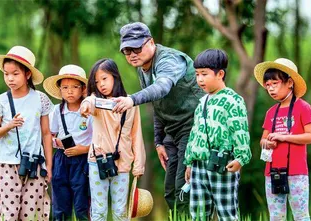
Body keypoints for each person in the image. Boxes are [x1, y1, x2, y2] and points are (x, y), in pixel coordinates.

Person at [113, 21, 205, 213]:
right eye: (127, 51)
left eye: (136, 48)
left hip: (194, 126)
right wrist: (158, 141)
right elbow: (159, 104)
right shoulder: (142, 67)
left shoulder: (169, 60)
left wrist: (132, 99)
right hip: (172, 131)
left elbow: (162, 87)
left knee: (184, 189)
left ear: (151, 42)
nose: (132, 55)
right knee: (170, 192)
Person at [184, 49, 252, 220]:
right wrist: (189, 161)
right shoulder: (202, 102)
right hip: (199, 165)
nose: (199, 79)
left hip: (222, 161)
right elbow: (195, 132)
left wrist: (241, 158)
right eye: (197, 74)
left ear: (220, 73)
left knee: (226, 211)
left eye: (204, 74)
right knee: (198, 212)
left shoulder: (232, 100)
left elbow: (240, 131)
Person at [0, 46, 53, 221]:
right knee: (8, 214)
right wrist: (9, 126)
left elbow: (46, 134)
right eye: (6, 73)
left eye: (15, 74)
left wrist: (49, 166)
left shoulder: (41, 99)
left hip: (36, 164)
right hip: (8, 164)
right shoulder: (0, 101)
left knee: (32, 214)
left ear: (27, 74)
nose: (10, 78)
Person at [80, 58, 146, 221]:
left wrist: (139, 164)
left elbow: (136, 134)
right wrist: (85, 106)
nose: (101, 84)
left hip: (122, 163)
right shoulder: (97, 101)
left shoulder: (130, 103)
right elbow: (89, 101)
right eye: (97, 81)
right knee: (99, 210)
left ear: (115, 77)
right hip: (97, 162)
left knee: (120, 212)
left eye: (104, 78)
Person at [254, 58, 311, 221]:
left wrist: (284, 137)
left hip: (297, 173)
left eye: (275, 83)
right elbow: (263, 139)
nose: (270, 88)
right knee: (276, 217)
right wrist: (267, 142)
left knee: (301, 216)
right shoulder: (270, 112)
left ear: (289, 83)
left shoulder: (303, 107)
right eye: (267, 85)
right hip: (272, 173)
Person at [43, 65, 93, 220]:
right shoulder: (57, 111)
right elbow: (48, 136)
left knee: (81, 204)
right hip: (61, 159)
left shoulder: (90, 111)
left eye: (74, 87)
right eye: (65, 87)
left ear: (83, 89)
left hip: (83, 160)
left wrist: (83, 149)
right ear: (60, 90)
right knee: (60, 205)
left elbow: (99, 139)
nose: (69, 91)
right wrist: (57, 142)